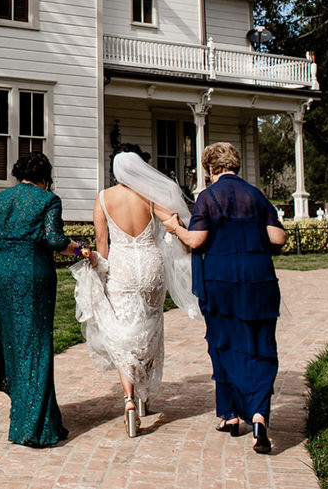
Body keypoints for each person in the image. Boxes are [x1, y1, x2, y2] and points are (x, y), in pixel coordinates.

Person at [70, 146, 201, 437]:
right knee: (150, 327)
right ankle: (144, 398)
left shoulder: (103, 198)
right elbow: (172, 223)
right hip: (151, 264)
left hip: (122, 267)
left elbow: (102, 245)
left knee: (124, 332)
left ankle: (129, 399)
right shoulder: (149, 196)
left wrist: (97, 270)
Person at [165, 142, 286, 454]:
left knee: (225, 343)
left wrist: (176, 228)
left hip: (222, 281)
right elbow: (278, 236)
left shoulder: (208, 197)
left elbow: (196, 240)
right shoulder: (256, 195)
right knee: (260, 345)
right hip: (259, 279)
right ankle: (257, 416)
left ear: (209, 168)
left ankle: (231, 415)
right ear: (236, 165)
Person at [0, 152, 83, 448]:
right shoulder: (48, 200)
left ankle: (40, 416)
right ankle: (35, 427)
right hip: (33, 273)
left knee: (13, 341)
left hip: (1, 274)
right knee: (36, 343)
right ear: (44, 177)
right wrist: (81, 249)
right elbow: (55, 240)